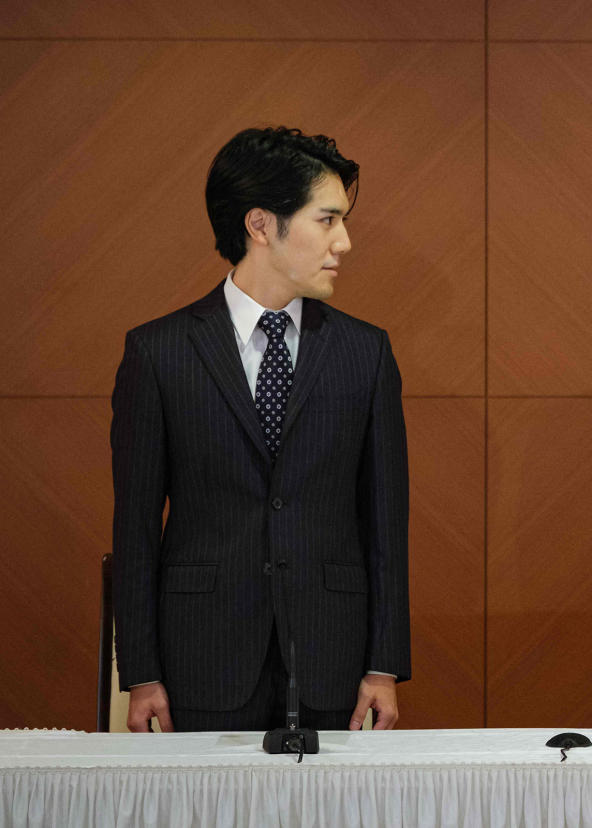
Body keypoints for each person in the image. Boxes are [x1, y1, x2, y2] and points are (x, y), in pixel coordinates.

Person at [111, 127, 411, 732]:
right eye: (327, 220)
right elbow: (136, 526)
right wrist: (141, 674)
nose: (344, 242)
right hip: (200, 660)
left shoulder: (366, 352)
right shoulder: (159, 351)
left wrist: (383, 666)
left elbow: (384, 521)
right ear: (261, 225)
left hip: (334, 660)